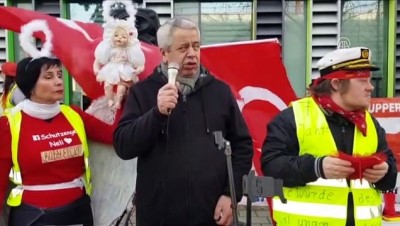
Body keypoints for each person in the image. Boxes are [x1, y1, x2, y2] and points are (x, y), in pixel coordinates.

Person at [113, 18, 253, 226]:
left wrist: (230, 195)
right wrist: (156, 114)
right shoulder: (143, 92)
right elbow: (124, 146)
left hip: (211, 214)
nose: (192, 54)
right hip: (158, 217)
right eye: (183, 47)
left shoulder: (219, 92)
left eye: (196, 46)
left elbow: (242, 146)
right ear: (164, 53)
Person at [261, 47, 398, 226]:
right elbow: (271, 166)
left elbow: (390, 173)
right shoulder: (293, 117)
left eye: (370, 80)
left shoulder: (370, 123)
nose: (370, 87)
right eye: (363, 80)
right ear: (336, 84)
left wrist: (385, 172)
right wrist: (316, 167)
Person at [0, 56, 116, 226]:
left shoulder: (74, 115)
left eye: (59, 75)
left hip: (77, 213)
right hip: (33, 216)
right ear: (30, 86)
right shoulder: (9, 124)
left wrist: (132, 100)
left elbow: (117, 136)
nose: (59, 81)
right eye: (49, 77)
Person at [93, 1, 145, 109]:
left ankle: (118, 102)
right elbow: (98, 59)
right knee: (107, 86)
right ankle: (110, 100)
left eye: (123, 36)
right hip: (111, 69)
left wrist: (139, 69)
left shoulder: (130, 50)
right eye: (116, 35)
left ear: (129, 38)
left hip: (124, 69)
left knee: (122, 88)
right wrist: (96, 68)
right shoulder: (109, 49)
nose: (119, 38)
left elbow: (139, 62)